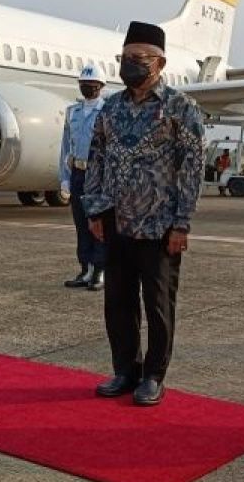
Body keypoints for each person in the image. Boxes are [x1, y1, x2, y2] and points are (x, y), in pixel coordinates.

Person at [83, 21, 204, 406]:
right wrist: (95, 209)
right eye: (125, 58)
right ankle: (125, 370)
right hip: (117, 221)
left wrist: (182, 222)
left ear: (159, 62)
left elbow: (192, 167)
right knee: (118, 301)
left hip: (159, 225)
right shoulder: (111, 108)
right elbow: (97, 158)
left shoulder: (180, 108)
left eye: (138, 59)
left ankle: (153, 375)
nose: (129, 65)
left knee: (157, 304)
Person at [59, 64, 107, 290]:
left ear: (101, 87)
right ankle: (85, 268)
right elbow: (65, 147)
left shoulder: (107, 112)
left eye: (92, 85)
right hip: (78, 172)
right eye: (83, 84)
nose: (87, 88)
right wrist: (64, 177)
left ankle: (99, 270)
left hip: (98, 174)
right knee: (80, 223)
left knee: (97, 223)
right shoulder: (72, 112)